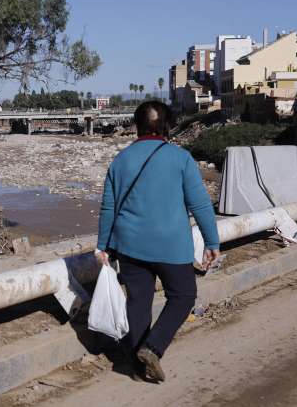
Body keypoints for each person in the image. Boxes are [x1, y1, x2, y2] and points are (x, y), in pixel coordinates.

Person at [95, 100, 220, 383]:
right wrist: (212, 241)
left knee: (138, 302)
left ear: (137, 126)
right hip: (171, 245)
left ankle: (138, 368)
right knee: (184, 295)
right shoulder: (180, 158)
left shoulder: (121, 160)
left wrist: (102, 245)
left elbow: (108, 208)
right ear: (168, 126)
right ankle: (152, 348)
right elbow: (200, 204)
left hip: (129, 245)